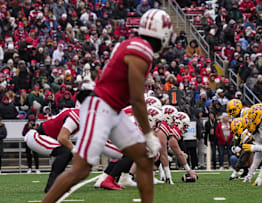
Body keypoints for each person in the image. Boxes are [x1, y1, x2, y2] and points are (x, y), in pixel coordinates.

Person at [42, 9, 172, 203]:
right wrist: (147, 134)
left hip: (112, 110)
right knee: (81, 170)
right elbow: (137, 99)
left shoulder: (134, 44)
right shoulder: (141, 50)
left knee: (144, 160)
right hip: (101, 107)